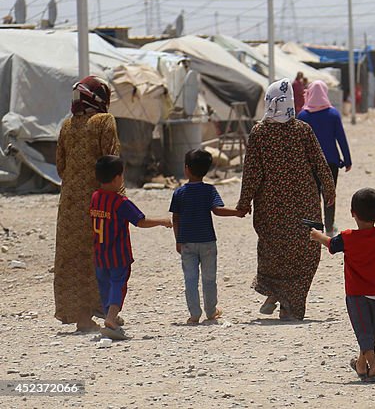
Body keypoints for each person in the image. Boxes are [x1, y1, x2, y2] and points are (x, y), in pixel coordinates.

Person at [236, 78, 336, 321]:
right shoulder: (302, 130)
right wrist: (329, 192)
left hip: (271, 207)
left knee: (275, 249)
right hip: (305, 204)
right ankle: (288, 303)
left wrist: (244, 202)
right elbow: (320, 163)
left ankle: (275, 293)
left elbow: (252, 171)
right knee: (305, 251)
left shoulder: (259, 132)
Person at [310, 188, 375, 382]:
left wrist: (317, 236)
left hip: (356, 293)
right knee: (369, 331)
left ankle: (374, 362)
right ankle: (362, 365)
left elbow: (332, 245)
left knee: (363, 330)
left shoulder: (348, 236)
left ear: (352, 213)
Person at [54, 76, 122, 332]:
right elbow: (112, 160)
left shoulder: (66, 125)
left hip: (70, 203)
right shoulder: (104, 121)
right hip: (100, 199)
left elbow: (61, 166)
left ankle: (84, 315)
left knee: (74, 258)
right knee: (105, 253)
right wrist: (120, 198)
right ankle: (107, 309)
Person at [90, 155, 172, 340]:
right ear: (118, 178)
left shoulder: (95, 197)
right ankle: (111, 318)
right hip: (118, 255)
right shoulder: (120, 202)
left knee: (104, 286)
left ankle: (110, 314)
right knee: (118, 285)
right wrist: (162, 221)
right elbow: (140, 221)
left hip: (100, 254)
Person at [170, 149, 244, 325]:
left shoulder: (179, 193)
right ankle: (211, 311)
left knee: (190, 279)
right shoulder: (209, 190)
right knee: (209, 278)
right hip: (208, 242)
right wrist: (237, 212)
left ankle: (194, 314)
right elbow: (218, 210)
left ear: (186, 169)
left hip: (187, 242)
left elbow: (175, 218)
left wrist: (178, 240)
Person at [297, 80, 352, 236]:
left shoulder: (303, 115)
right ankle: (329, 226)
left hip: (310, 163)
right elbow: (341, 138)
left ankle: (314, 228)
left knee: (313, 196)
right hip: (331, 162)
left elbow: (298, 141)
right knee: (329, 194)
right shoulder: (333, 114)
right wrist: (347, 160)